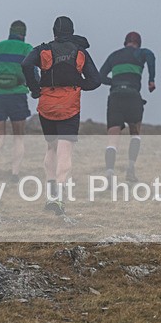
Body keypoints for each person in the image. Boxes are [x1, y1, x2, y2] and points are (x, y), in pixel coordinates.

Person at [21, 16, 101, 215]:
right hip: (70, 107)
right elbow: (96, 80)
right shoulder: (80, 52)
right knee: (65, 151)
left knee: (51, 148)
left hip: (46, 106)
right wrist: (77, 83)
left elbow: (25, 64)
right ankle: (57, 198)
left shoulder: (43, 49)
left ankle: (50, 194)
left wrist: (35, 87)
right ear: (72, 31)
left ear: (54, 31)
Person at [0, 20, 34, 182]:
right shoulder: (27, 49)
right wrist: (30, 85)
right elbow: (33, 73)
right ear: (23, 34)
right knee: (18, 137)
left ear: (10, 31)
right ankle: (15, 174)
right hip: (17, 96)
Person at [98, 31, 156, 183]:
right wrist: (151, 80)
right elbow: (151, 56)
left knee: (112, 139)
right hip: (133, 97)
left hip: (115, 97)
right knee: (135, 134)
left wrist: (116, 82)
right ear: (139, 43)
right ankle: (130, 170)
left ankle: (110, 173)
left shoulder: (114, 56)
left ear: (125, 42)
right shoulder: (141, 53)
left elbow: (100, 76)